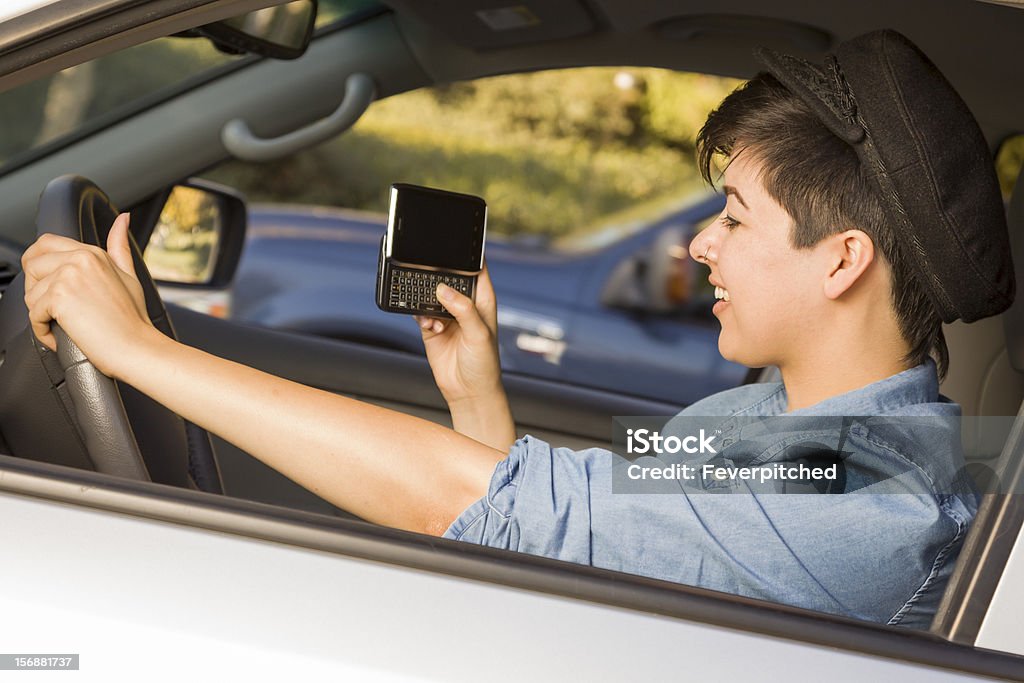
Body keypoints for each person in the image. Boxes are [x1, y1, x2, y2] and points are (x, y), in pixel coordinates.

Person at [19, 30, 1014, 628]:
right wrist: (475, 393)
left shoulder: (862, 503)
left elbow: (470, 503)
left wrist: (139, 350)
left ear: (841, 259)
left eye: (737, 218)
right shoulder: (778, 428)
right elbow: (567, 538)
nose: (700, 246)